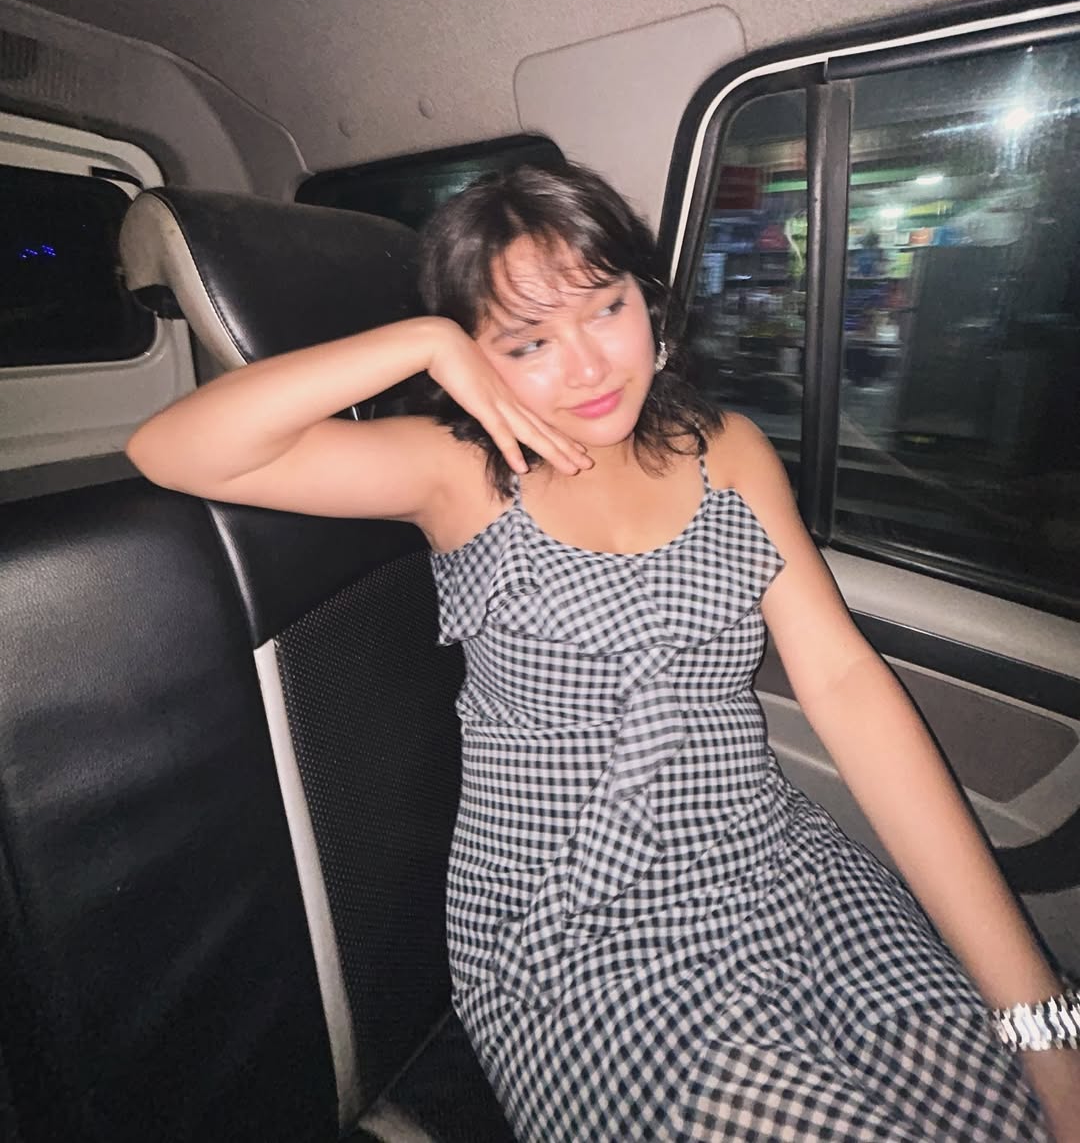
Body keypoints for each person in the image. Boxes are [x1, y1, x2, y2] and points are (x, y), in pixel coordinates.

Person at [126, 162, 1080, 1142]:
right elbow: (174, 449)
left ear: (647, 302)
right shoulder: (460, 471)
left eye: (606, 307)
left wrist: (1040, 1017)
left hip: (778, 864)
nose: (587, 367)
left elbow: (844, 684)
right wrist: (423, 342)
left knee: (1009, 1106)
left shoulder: (727, 449)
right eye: (528, 340)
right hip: (576, 922)